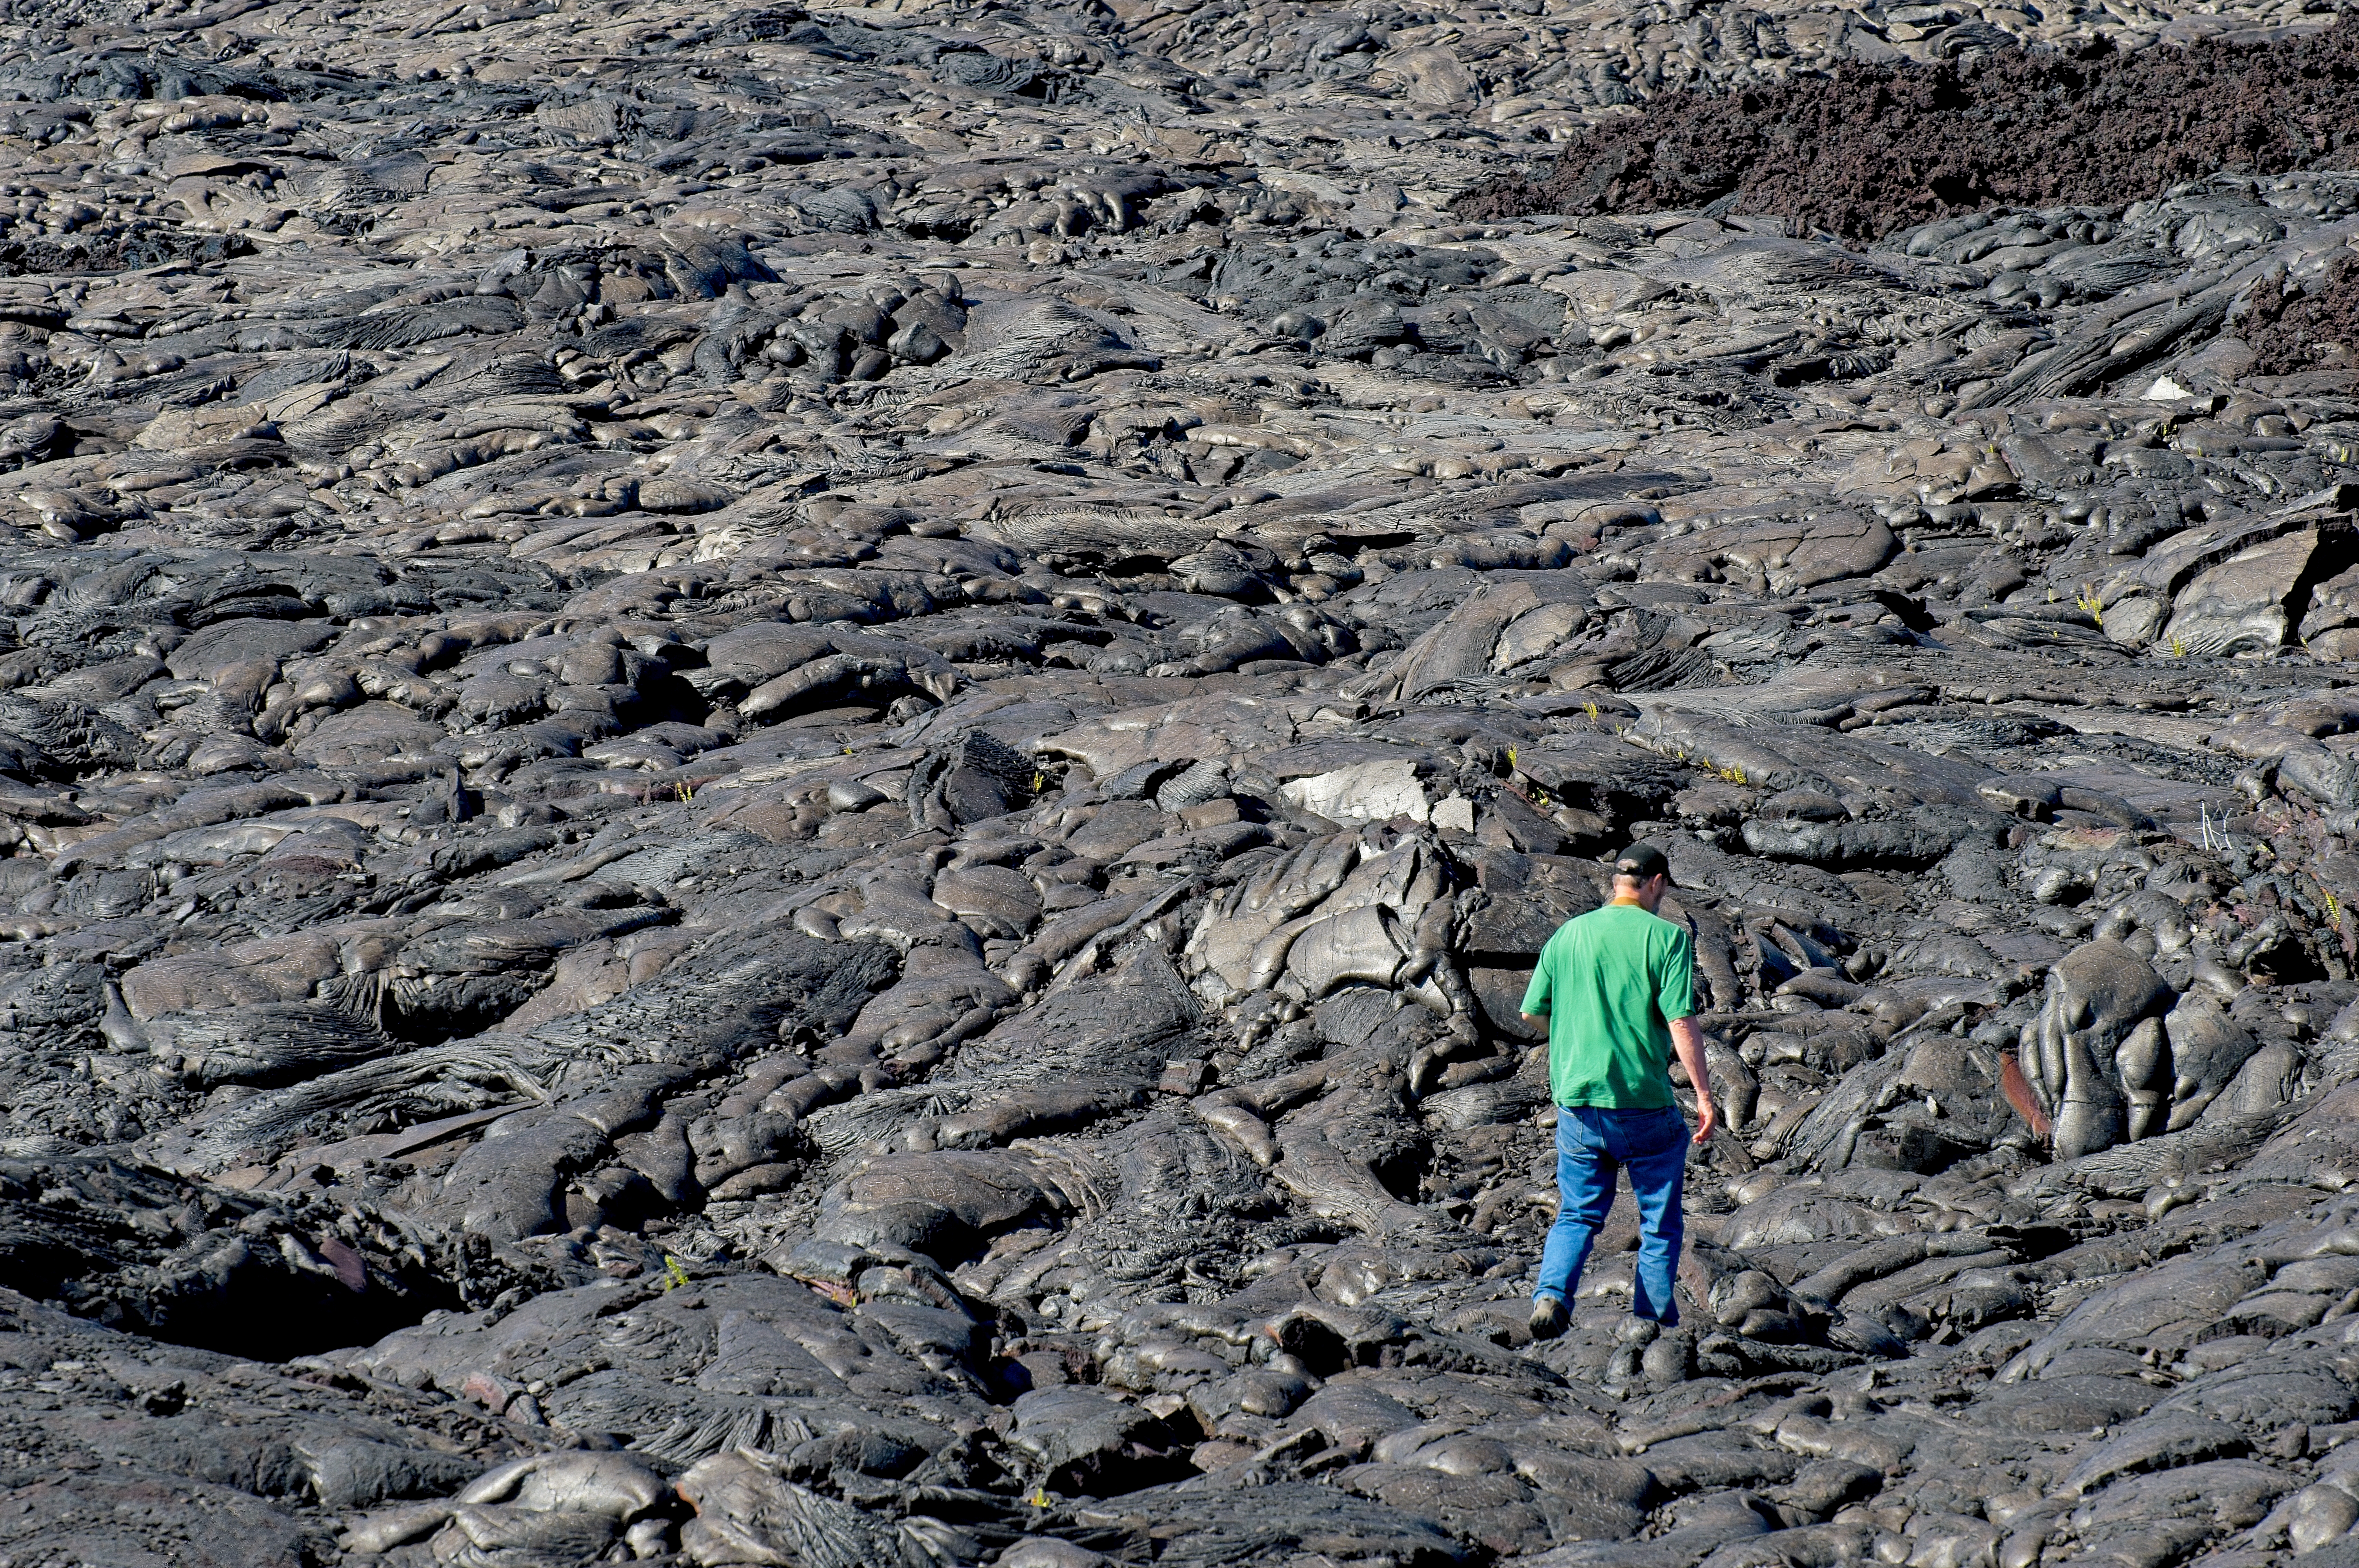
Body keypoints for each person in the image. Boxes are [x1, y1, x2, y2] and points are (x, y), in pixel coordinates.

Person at [1518, 842, 1716, 1342]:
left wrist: (1577, 1036)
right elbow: (1679, 1020)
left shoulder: (1568, 934)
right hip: (1642, 1101)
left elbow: (1531, 1013)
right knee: (1659, 1220)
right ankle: (1650, 1323)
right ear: (1655, 883)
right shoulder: (1667, 938)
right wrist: (1704, 1095)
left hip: (1578, 1101)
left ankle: (1551, 1297)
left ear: (1616, 882)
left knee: (1579, 1212)